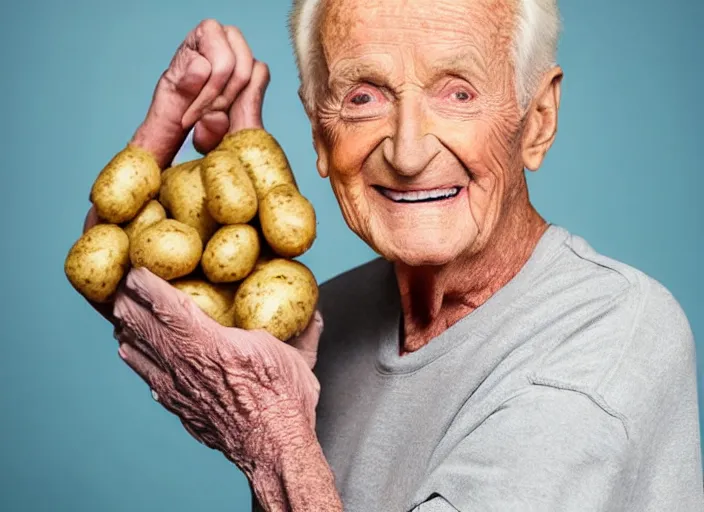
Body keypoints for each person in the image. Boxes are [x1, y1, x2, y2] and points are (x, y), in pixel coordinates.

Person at [81, 0, 704, 510]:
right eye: (363, 98)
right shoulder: (335, 311)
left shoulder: (605, 344)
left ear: (537, 120)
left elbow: (259, 412)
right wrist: (168, 119)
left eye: (458, 94)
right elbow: (138, 294)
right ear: (319, 134)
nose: (407, 153)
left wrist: (275, 443)